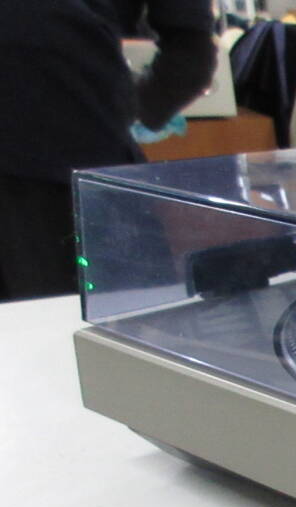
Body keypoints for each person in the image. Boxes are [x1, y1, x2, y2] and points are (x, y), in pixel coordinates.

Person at [0, 1, 216, 301]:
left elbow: (191, 58)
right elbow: (192, 58)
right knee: (99, 308)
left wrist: (135, 110)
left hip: (61, 152)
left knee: (84, 306)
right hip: (68, 141)